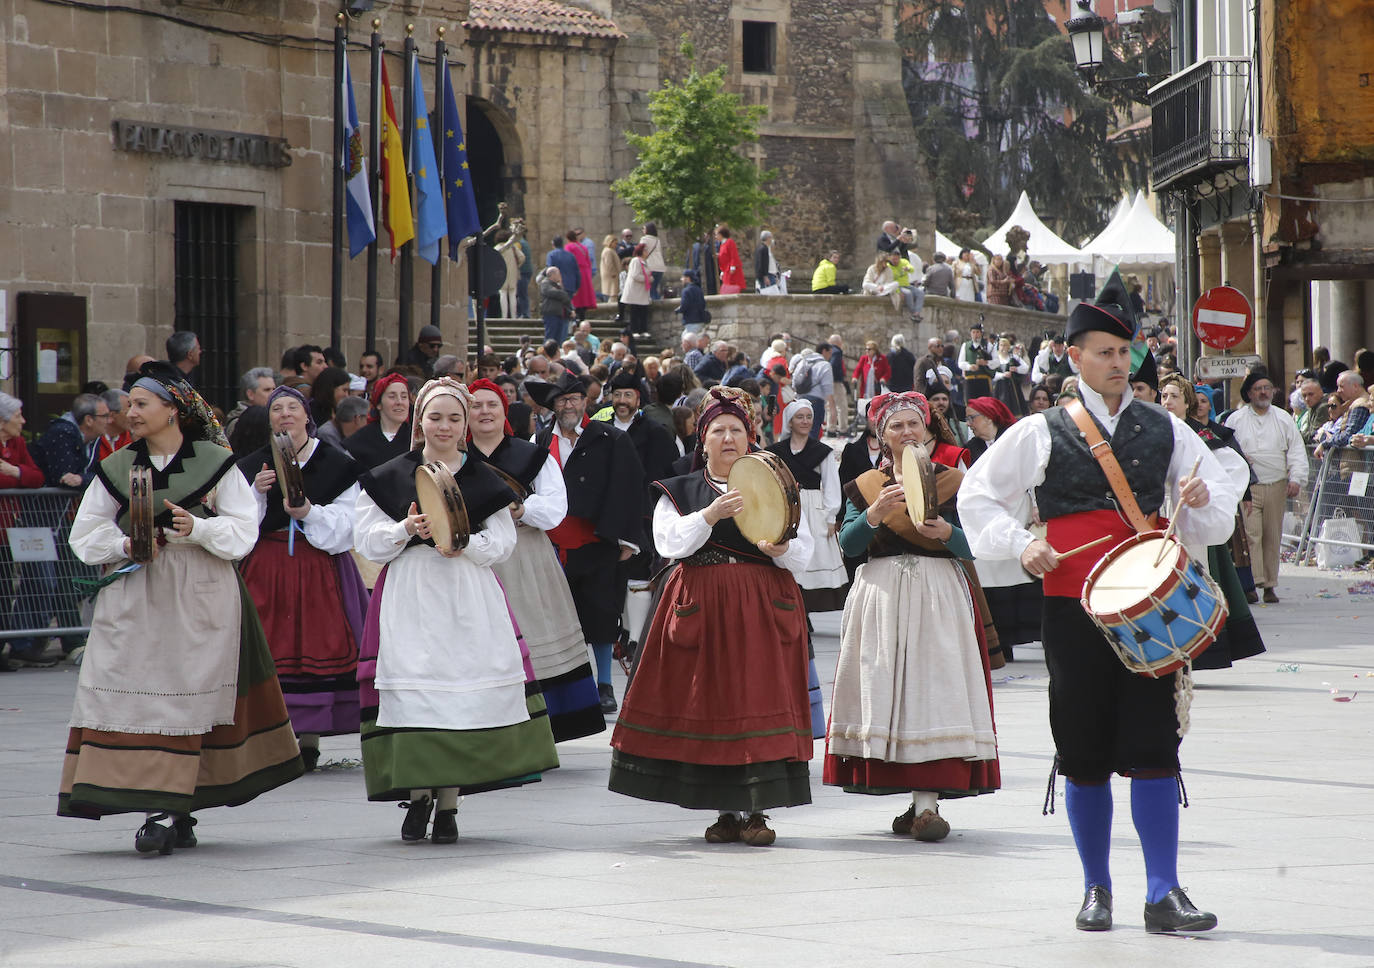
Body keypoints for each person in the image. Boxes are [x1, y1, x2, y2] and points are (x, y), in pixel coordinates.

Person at [959, 296, 1240, 935]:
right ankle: (1096, 888)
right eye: (1107, 353)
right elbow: (977, 498)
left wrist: (1196, 498)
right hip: (1071, 606)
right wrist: (1022, 542)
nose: (1119, 363)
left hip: (1151, 609)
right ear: (1074, 356)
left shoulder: (1166, 427)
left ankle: (1164, 891)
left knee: (1154, 745)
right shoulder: (1039, 430)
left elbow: (1221, 495)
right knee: (1081, 746)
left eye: (1125, 353)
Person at [60, 361, 302, 853]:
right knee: (136, 693)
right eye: (128, 404)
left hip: (198, 590)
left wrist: (201, 528)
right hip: (136, 592)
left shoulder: (215, 462)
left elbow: (242, 529)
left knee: (184, 697)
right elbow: (85, 533)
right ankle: (167, 805)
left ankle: (167, 809)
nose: (131, 413)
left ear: (172, 410)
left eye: (142, 404)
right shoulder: (117, 467)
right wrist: (126, 545)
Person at [354, 377, 558, 843]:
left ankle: (448, 803)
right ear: (419, 422)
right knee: (418, 693)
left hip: (467, 593)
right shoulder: (391, 475)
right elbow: (365, 540)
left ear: (466, 425)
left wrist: (461, 543)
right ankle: (419, 795)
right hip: (411, 593)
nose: (443, 426)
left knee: (459, 693)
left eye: (453, 417)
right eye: (435, 417)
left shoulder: (483, 479)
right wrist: (406, 527)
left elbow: (503, 544)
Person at [608, 387, 814, 846]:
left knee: (757, 702)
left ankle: (758, 813)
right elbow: (669, 544)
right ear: (702, 441)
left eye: (736, 430)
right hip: (702, 604)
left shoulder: (780, 485)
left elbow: (804, 554)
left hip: (762, 604)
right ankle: (724, 811)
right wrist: (710, 513)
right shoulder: (679, 490)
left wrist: (781, 549)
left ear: (750, 436)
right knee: (712, 702)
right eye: (717, 430)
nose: (727, 438)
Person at [826, 391, 999, 839]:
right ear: (881, 436)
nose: (907, 433)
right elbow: (847, 545)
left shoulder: (953, 482)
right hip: (880, 595)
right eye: (896, 426)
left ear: (927, 428)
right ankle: (913, 797)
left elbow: (976, 546)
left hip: (937, 592)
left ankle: (928, 804)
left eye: (913, 424)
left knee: (932, 690)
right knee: (888, 690)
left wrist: (947, 533)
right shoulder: (864, 485)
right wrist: (871, 516)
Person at [466, 379, 605, 742]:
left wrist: (521, 508)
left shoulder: (530, 455)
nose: (484, 412)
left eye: (492, 405)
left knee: (535, 638)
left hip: (525, 556)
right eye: (476, 405)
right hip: (472, 559)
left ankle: (543, 726)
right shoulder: (456, 457)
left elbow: (557, 509)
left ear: (504, 412)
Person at [237, 386, 367, 770]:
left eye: (293, 407)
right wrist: (256, 496)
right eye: (277, 408)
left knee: (319, 645)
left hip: (319, 567)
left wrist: (309, 512)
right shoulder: (253, 465)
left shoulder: (336, 462)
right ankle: (274, 736)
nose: (285, 414)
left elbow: (349, 523)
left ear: (307, 416)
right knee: (270, 648)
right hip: (268, 565)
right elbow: (238, 524)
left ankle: (309, 738)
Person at [530, 372, 646, 713]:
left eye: (574, 399)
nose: (568, 405)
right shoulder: (538, 441)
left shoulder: (608, 437)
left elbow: (629, 486)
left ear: (586, 402)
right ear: (553, 406)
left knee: (601, 615)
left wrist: (627, 537)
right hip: (550, 543)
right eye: (562, 400)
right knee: (554, 618)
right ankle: (561, 686)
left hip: (597, 538)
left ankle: (605, 683)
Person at [1158, 373, 1265, 670]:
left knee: (1196, 587)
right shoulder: (1155, 430)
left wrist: (1212, 499)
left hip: (1195, 527)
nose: (1167, 402)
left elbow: (1233, 469)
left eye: (1174, 397)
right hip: (1163, 521)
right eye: (1163, 396)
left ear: (1187, 402)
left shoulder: (1201, 436)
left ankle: (1200, 651)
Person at [1224, 369, 1306, 603]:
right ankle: (1252, 583)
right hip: (1248, 487)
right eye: (1258, 388)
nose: (1262, 392)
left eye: (1266, 388)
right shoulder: (1236, 419)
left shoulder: (1283, 418)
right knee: (1250, 535)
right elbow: (1227, 449)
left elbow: (1297, 450)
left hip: (1276, 484)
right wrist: (1240, 460)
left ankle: (1270, 585)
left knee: (1272, 534)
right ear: (1249, 393)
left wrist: (1296, 479)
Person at [767, 399, 848, 612]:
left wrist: (831, 517)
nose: (805, 421)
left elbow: (831, 486)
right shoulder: (776, 451)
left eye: (809, 417)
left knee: (813, 555)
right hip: (785, 507)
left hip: (813, 507)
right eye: (800, 417)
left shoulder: (822, 451)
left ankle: (807, 608)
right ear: (790, 421)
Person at [0, 393, 45, 672]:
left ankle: (2, 646)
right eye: (18, 416)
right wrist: (16, 476)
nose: (23, 421)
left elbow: (37, 477)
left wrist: (14, 471)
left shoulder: (16, 443)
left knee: (6, 591)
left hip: (7, 532)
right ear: (3, 420)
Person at [345, 373, 414, 471]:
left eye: (404, 397)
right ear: (379, 404)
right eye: (392, 396)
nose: (399, 402)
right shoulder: (360, 441)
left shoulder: (416, 439)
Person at [224, 367, 276, 439]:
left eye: (274, 389)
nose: (273, 394)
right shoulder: (238, 423)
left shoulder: (274, 415)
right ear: (250, 394)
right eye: (267, 390)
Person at [620, 244, 653, 342]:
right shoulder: (635, 261)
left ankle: (643, 330)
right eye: (645, 251)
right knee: (635, 311)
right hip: (635, 291)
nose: (647, 253)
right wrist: (647, 279)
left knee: (643, 311)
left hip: (642, 291)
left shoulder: (645, 262)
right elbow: (635, 275)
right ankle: (634, 330)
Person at [852, 339, 890, 420]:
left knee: (877, 405)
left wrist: (883, 378)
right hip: (866, 389)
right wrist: (855, 377)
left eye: (869, 349)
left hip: (877, 388)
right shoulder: (864, 359)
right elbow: (858, 369)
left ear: (875, 350)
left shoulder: (882, 359)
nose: (867, 351)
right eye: (866, 349)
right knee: (866, 405)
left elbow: (888, 371)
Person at [992, 335, 1029, 416]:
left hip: (1012, 387)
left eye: (1005, 345)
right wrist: (1002, 375)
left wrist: (1016, 369)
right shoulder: (996, 359)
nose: (1003, 347)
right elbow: (991, 373)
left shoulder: (1013, 357)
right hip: (999, 387)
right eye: (1001, 345)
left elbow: (1025, 368)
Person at [566, 229, 597, 320]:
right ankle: (582, 318)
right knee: (583, 297)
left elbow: (568, 261)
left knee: (576, 298)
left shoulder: (569, 247)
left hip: (576, 272)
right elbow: (588, 261)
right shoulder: (583, 247)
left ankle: (576, 319)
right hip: (585, 273)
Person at [97, 388, 133, 459]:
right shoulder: (92, 441)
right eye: (127, 413)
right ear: (111, 416)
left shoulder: (130, 439)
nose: (133, 416)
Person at [1294, 377, 1329, 445]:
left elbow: (1314, 434)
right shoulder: (1311, 407)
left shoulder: (1323, 407)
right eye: (1304, 395)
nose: (1307, 399)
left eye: (1311, 394)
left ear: (1321, 392)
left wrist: (1295, 436)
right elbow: (1308, 431)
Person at [640, 223, 666, 299]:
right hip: (660, 266)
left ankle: (656, 308)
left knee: (651, 289)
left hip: (651, 266)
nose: (642, 230)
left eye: (644, 228)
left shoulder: (644, 239)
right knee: (654, 288)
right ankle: (658, 304)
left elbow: (641, 251)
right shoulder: (657, 240)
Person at [716, 225, 745, 294]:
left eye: (717, 234)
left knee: (732, 287)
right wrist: (722, 271)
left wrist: (733, 267)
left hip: (731, 270)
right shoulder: (722, 244)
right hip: (726, 270)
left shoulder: (729, 242)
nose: (716, 236)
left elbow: (733, 255)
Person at [599, 234, 621, 304]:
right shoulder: (608, 251)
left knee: (614, 294)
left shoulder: (610, 250)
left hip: (612, 276)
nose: (616, 245)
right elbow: (609, 264)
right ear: (610, 242)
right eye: (615, 243)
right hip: (612, 277)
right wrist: (613, 273)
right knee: (612, 293)